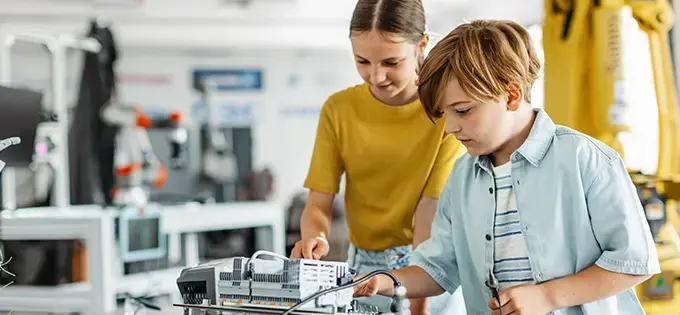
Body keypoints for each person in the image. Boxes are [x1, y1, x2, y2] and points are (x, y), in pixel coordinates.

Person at [353, 19, 661, 314]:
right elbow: (439, 267)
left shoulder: (586, 159)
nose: (450, 128)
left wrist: (547, 296)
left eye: (462, 111)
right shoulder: (461, 178)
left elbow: (633, 261)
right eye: (445, 114)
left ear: (511, 95)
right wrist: (385, 280)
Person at [289, 0, 467, 313]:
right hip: (361, 267)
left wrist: (419, 305)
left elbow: (430, 211)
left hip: (427, 267)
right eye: (362, 61)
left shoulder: (445, 109)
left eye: (390, 62)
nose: (375, 76)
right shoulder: (338, 109)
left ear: (421, 44)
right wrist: (313, 237)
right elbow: (319, 202)